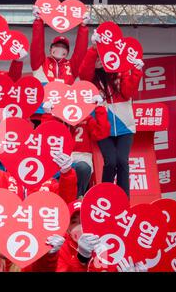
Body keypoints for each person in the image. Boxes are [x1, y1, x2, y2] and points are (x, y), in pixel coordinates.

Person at [79, 30, 144, 197]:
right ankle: (105, 196)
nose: (101, 61)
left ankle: (124, 199)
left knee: (122, 161)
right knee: (110, 162)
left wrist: (136, 71)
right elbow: (84, 71)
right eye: (97, 58)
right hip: (103, 126)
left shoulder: (120, 72)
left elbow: (128, 92)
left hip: (125, 125)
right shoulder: (90, 78)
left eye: (103, 57)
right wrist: (93, 48)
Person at [42, 100, 111, 197]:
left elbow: (102, 132)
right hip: (60, 159)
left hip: (80, 157)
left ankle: (79, 197)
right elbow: (45, 134)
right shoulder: (56, 119)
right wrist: (47, 114)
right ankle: (59, 199)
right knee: (53, 174)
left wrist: (99, 108)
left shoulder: (87, 119)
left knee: (83, 167)